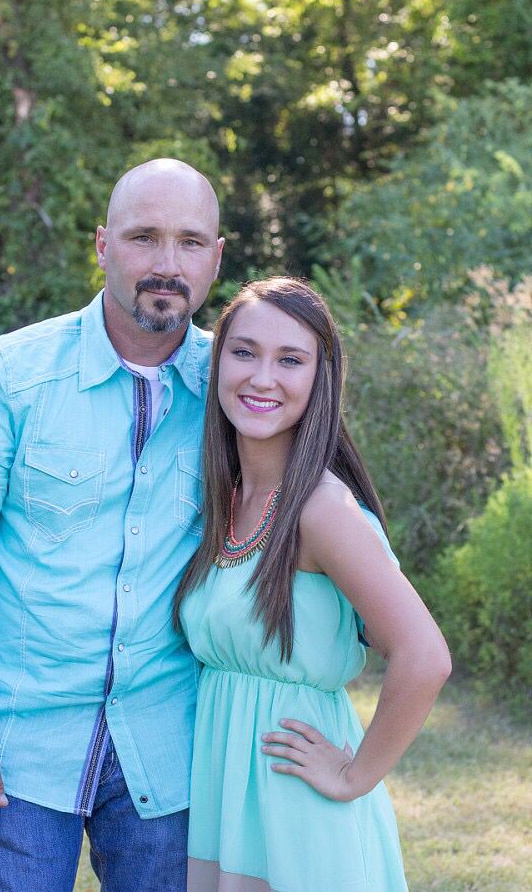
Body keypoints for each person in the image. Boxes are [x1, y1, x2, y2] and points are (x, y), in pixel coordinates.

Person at [0, 158, 224, 892]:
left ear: (216, 256)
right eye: (143, 237)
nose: (166, 264)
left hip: (171, 743)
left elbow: (312, 509)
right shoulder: (5, 377)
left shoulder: (237, 386)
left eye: (190, 242)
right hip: (19, 744)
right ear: (102, 245)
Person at [174, 276, 452, 892]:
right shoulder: (228, 498)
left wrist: (355, 776)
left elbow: (424, 656)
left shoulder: (321, 509)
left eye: (290, 360)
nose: (262, 377)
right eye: (244, 352)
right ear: (218, 363)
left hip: (295, 803)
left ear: (319, 379)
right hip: (226, 797)